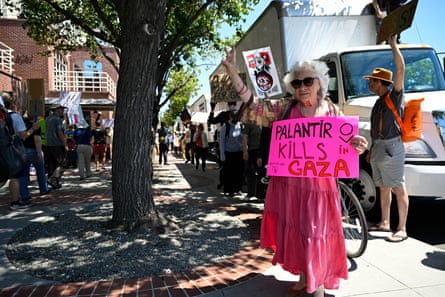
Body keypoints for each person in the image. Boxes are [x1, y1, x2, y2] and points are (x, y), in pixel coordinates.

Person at [221, 45, 368, 296]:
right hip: (290, 186)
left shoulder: (331, 110)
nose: (302, 86)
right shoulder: (285, 109)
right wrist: (233, 71)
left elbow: (347, 140)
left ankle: (316, 281)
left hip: (320, 187)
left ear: (319, 82)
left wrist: (359, 145)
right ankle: (303, 276)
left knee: (316, 231)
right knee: (299, 230)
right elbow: (252, 104)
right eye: (297, 82)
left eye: (307, 81)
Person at [365, 34, 409, 243]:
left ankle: (401, 228)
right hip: (380, 148)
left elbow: (401, 69)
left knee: (398, 187)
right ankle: (385, 222)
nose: (369, 84)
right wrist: (372, 150)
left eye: (371, 81)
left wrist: (393, 44)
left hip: (392, 147)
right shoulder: (378, 102)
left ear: (381, 82)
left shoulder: (394, 95)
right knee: (383, 186)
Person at [1, 92, 38, 209]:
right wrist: (33, 128)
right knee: (15, 176)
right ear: (11, 103)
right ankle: (15, 202)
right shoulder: (14, 117)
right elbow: (23, 135)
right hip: (11, 150)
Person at [19, 113, 49, 200]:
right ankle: (43, 189)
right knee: (40, 171)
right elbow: (37, 139)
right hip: (34, 151)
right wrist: (39, 152)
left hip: (24, 151)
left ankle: (24, 194)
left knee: (24, 174)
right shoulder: (35, 126)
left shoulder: (22, 127)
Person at [219, 110, 244, 197]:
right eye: (234, 117)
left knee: (238, 172)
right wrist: (222, 156)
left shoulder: (240, 125)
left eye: (237, 117)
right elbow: (222, 141)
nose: (236, 119)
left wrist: (245, 151)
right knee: (229, 172)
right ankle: (229, 190)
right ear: (230, 117)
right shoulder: (226, 126)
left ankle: (238, 189)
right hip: (229, 153)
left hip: (239, 152)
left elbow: (243, 139)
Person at [45, 104, 67, 189]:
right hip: (56, 144)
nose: (63, 111)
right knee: (62, 162)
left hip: (48, 144)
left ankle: (53, 182)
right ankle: (53, 179)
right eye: (62, 109)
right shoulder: (57, 119)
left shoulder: (47, 119)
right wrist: (65, 144)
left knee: (51, 164)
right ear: (57, 110)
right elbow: (60, 133)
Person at [242, 123, 261, 199]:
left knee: (262, 172)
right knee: (251, 172)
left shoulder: (266, 121)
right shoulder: (250, 123)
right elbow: (244, 137)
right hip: (252, 150)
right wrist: (245, 151)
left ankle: (260, 194)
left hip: (263, 151)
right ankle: (250, 193)